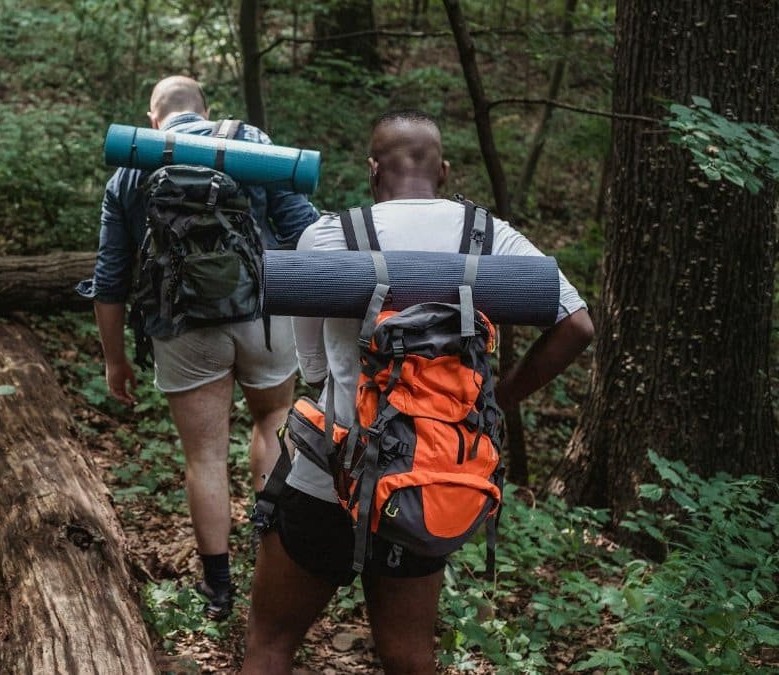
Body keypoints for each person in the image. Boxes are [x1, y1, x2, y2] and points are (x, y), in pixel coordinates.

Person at [242, 110, 594, 674]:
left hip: (329, 475)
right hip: (425, 479)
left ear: (372, 170)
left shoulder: (332, 234)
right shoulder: (488, 235)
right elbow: (577, 325)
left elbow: (312, 367)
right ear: (445, 169)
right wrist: (500, 398)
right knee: (408, 657)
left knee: (271, 643)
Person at [77, 75, 319, 620]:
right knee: (273, 418)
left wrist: (115, 360)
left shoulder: (130, 168)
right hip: (263, 313)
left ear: (151, 118)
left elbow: (110, 279)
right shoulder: (250, 144)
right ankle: (272, 562)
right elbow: (303, 229)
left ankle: (218, 593)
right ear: (208, 111)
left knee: (204, 455)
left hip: (181, 324)